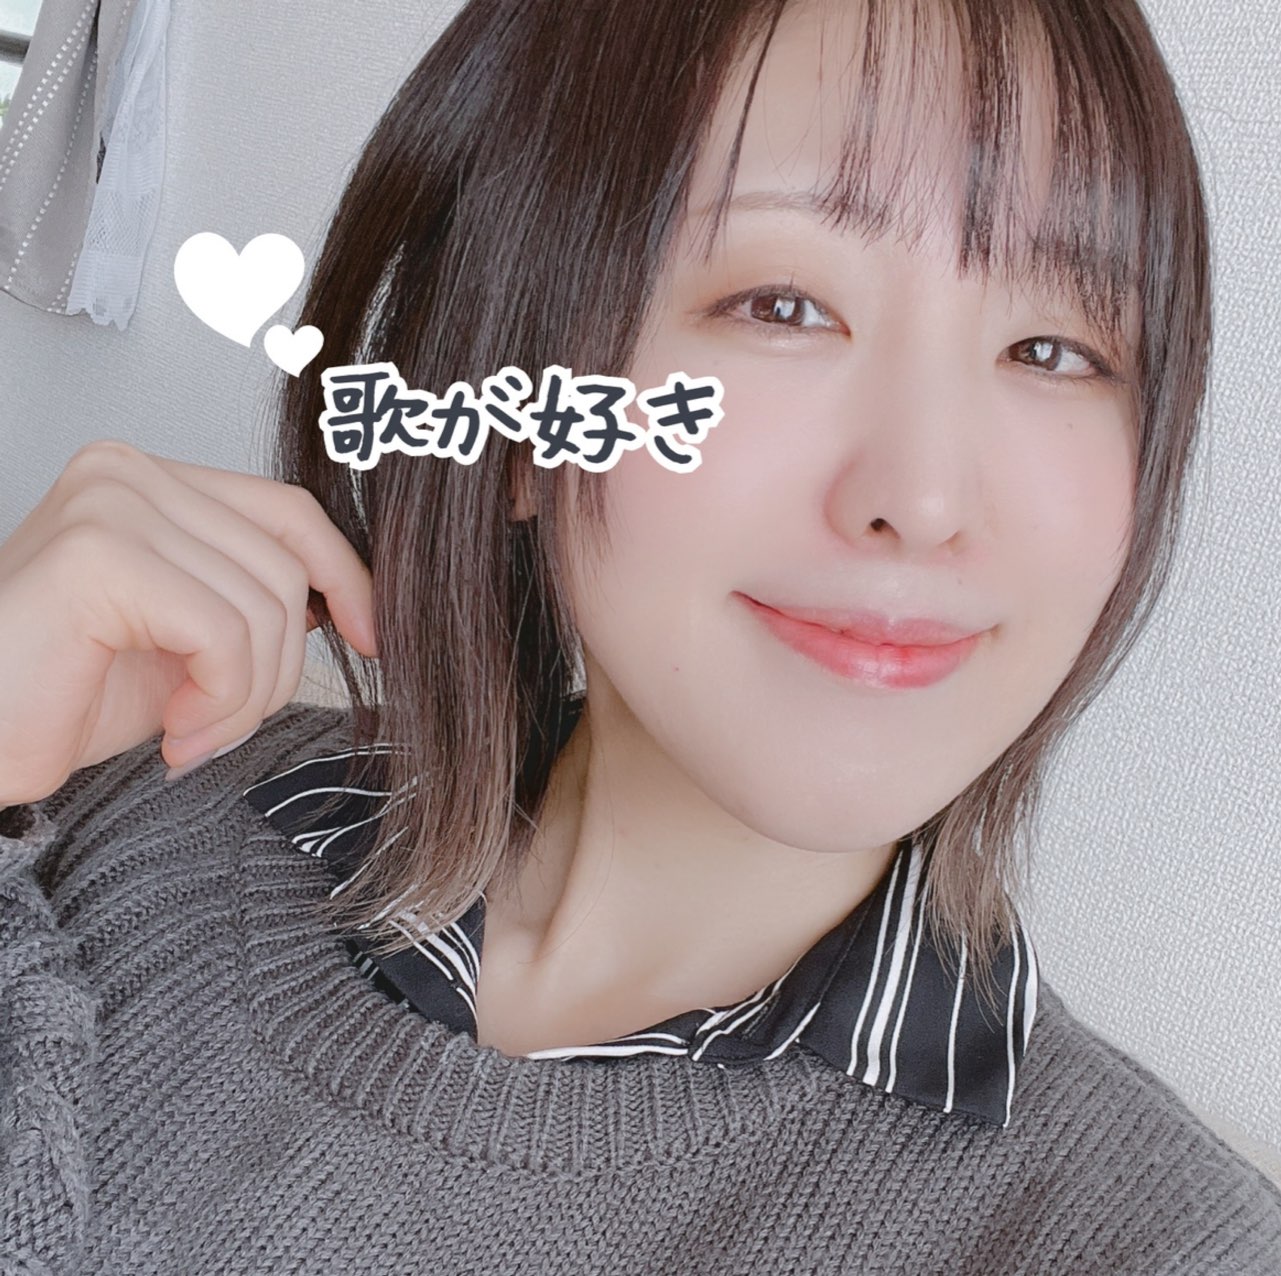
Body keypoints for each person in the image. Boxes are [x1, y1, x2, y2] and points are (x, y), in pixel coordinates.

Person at [2, 0, 1279, 1271]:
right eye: (784, 306)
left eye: (1054, 349)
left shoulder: (1159, 1244)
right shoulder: (100, 813)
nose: (926, 498)